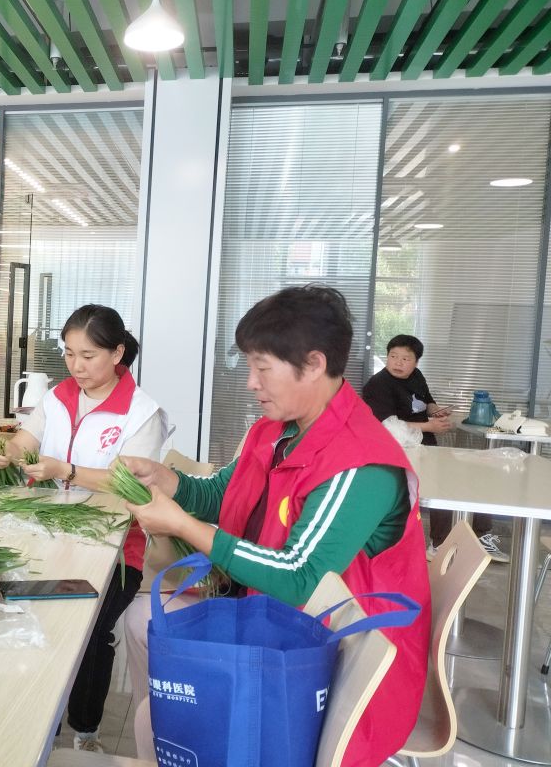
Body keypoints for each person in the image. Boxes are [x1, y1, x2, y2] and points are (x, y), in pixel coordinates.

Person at [120, 286, 431, 767]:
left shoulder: (358, 463)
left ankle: (195, 726)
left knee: (150, 715)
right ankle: (186, 718)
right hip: (273, 615)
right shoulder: (275, 430)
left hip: (335, 650)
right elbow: (221, 494)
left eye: (262, 368)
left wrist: (182, 524)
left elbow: (299, 578)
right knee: (142, 622)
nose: (251, 383)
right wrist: (167, 480)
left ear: (314, 364)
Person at [0, 304, 168, 753]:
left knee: (90, 634)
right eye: (69, 354)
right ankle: (34, 723)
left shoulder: (142, 413)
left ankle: (85, 733)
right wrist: (5, 451)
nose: (76, 366)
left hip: (116, 550)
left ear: (117, 353)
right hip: (46, 535)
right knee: (29, 620)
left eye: (88, 355)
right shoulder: (57, 398)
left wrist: (66, 471)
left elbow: (130, 483)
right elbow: (25, 442)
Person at [363, 334, 507, 562]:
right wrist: (429, 426)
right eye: (393, 356)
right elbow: (387, 426)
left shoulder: (416, 376)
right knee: (444, 485)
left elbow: (426, 401)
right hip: (399, 452)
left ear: (416, 362)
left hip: (426, 447)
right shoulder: (377, 385)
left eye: (405, 359)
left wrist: (436, 410)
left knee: (475, 475)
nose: (398, 363)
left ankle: (481, 535)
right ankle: (439, 544)